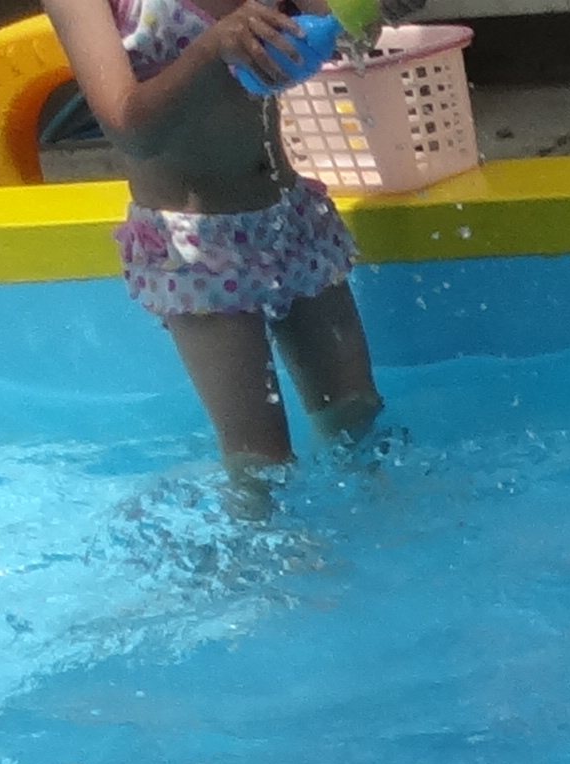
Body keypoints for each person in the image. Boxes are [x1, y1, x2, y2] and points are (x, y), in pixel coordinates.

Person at [40, 0, 381, 470]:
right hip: (197, 249)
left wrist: (364, 12)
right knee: (260, 459)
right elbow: (131, 130)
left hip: (292, 219)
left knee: (357, 418)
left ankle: (381, 514)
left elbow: (346, 27)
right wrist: (213, 48)